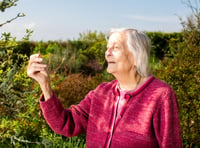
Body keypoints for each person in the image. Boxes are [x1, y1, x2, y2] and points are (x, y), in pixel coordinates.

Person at [27, 28, 183, 148]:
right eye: (107, 48)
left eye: (115, 48)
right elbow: (66, 124)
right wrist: (45, 84)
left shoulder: (160, 95)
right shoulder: (102, 92)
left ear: (136, 56)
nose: (107, 53)